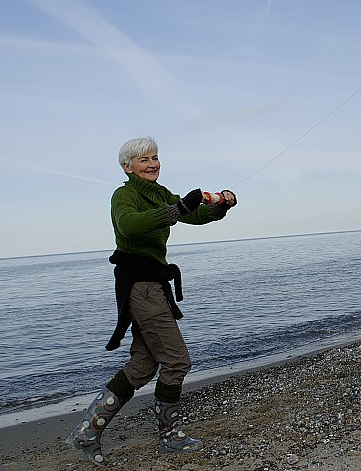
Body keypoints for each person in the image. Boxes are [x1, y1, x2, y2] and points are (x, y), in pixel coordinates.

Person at [67, 137, 237, 465]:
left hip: (153, 284)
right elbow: (129, 226)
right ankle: (169, 437)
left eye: (155, 157)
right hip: (139, 285)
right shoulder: (123, 196)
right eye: (143, 159)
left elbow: (195, 215)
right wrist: (178, 209)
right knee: (177, 361)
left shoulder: (160, 193)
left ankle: (86, 434)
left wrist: (221, 206)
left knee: (144, 365)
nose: (152, 164)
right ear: (127, 167)